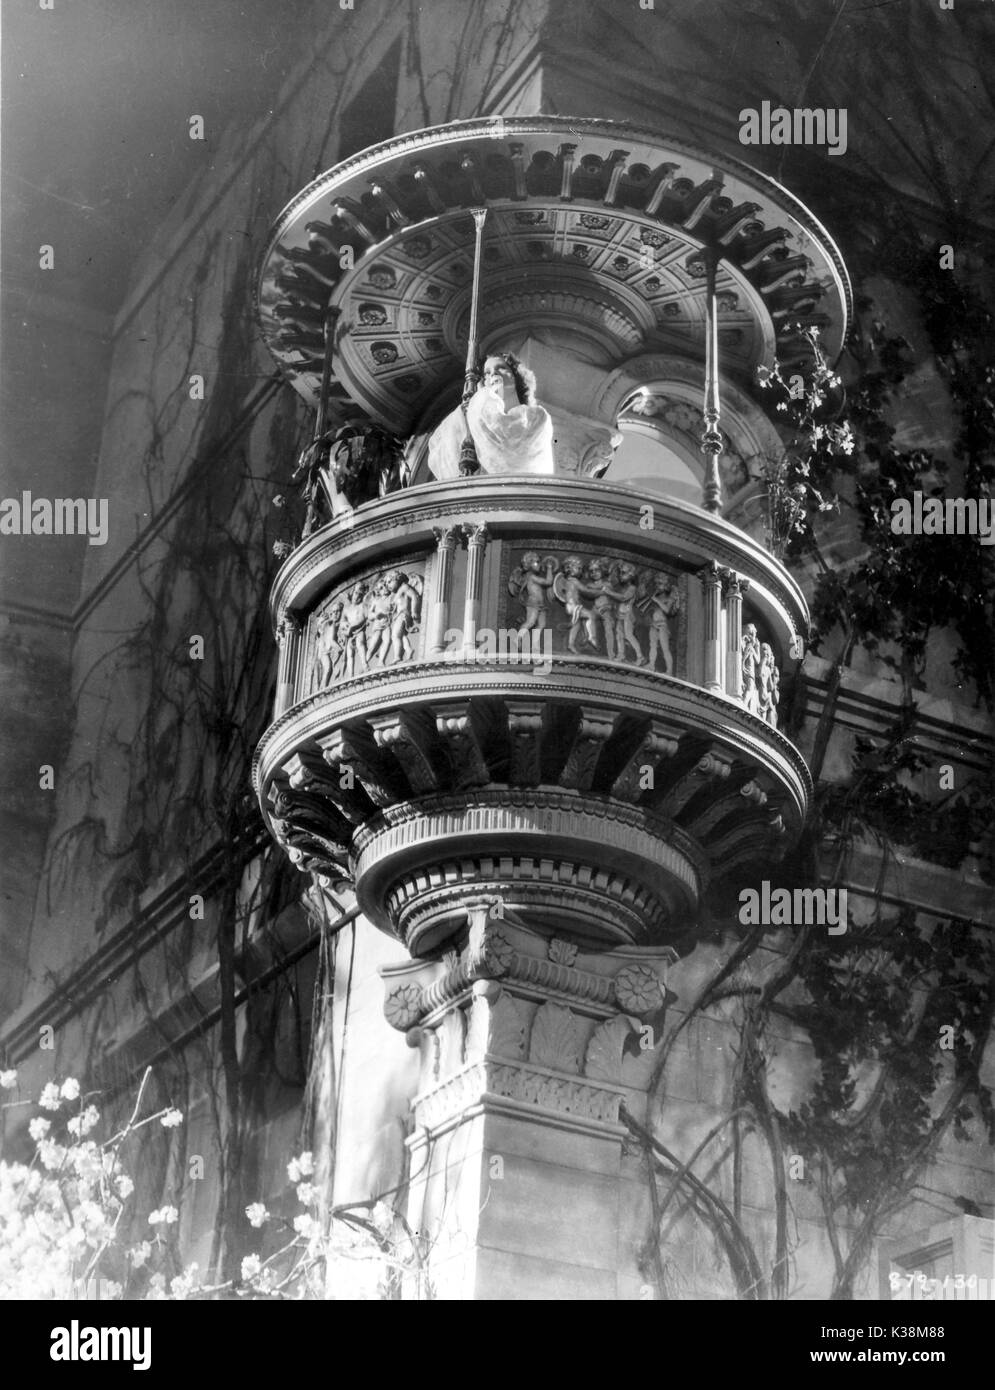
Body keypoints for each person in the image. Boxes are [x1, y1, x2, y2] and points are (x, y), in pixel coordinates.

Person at [427, 353, 555, 478]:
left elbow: (504, 434)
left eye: (501, 367)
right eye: (487, 373)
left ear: (517, 376)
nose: (493, 374)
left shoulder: (537, 416)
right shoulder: (475, 415)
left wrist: (483, 398)